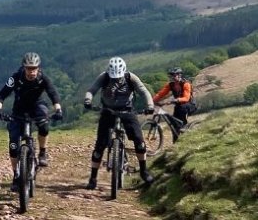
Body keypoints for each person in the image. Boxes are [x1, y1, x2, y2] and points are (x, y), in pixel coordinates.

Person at [0, 52, 63, 192]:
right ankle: (16, 175)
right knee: (13, 145)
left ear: (38, 68)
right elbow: (2, 94)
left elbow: (53, 93)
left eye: (34, 68)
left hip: (37, 106)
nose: (31, 72)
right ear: (24, 68)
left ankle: (42, 152)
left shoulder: (43, 78)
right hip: (19, 109)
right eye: (28, 68)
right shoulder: (16, 77)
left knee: (44, 125)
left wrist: (58, 109)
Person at [83, 57, 155, 189]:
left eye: (118, 77)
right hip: (107, 111)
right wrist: (88, 100)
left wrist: (150, 105)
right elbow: (92, 90)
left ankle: (144, 171)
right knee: (100, 145)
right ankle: (93, 178)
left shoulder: (130, 77)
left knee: (139, 141)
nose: (116, 79)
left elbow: (144, 91)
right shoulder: (104, 77)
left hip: (127, 111)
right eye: (113, 77)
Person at [152, 67, 195, 131]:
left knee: (182, 109)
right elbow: (160, 94)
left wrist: (175, 100)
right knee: (174, 125)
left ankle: (185, 127)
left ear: (179, 75)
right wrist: (152, 100)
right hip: (178, 105)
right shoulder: (171, 85)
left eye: (174, 75)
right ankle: (176, 138)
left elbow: (186, 98)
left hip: (189, 104)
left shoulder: (186, 84)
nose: (173, 77)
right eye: (171, 76)